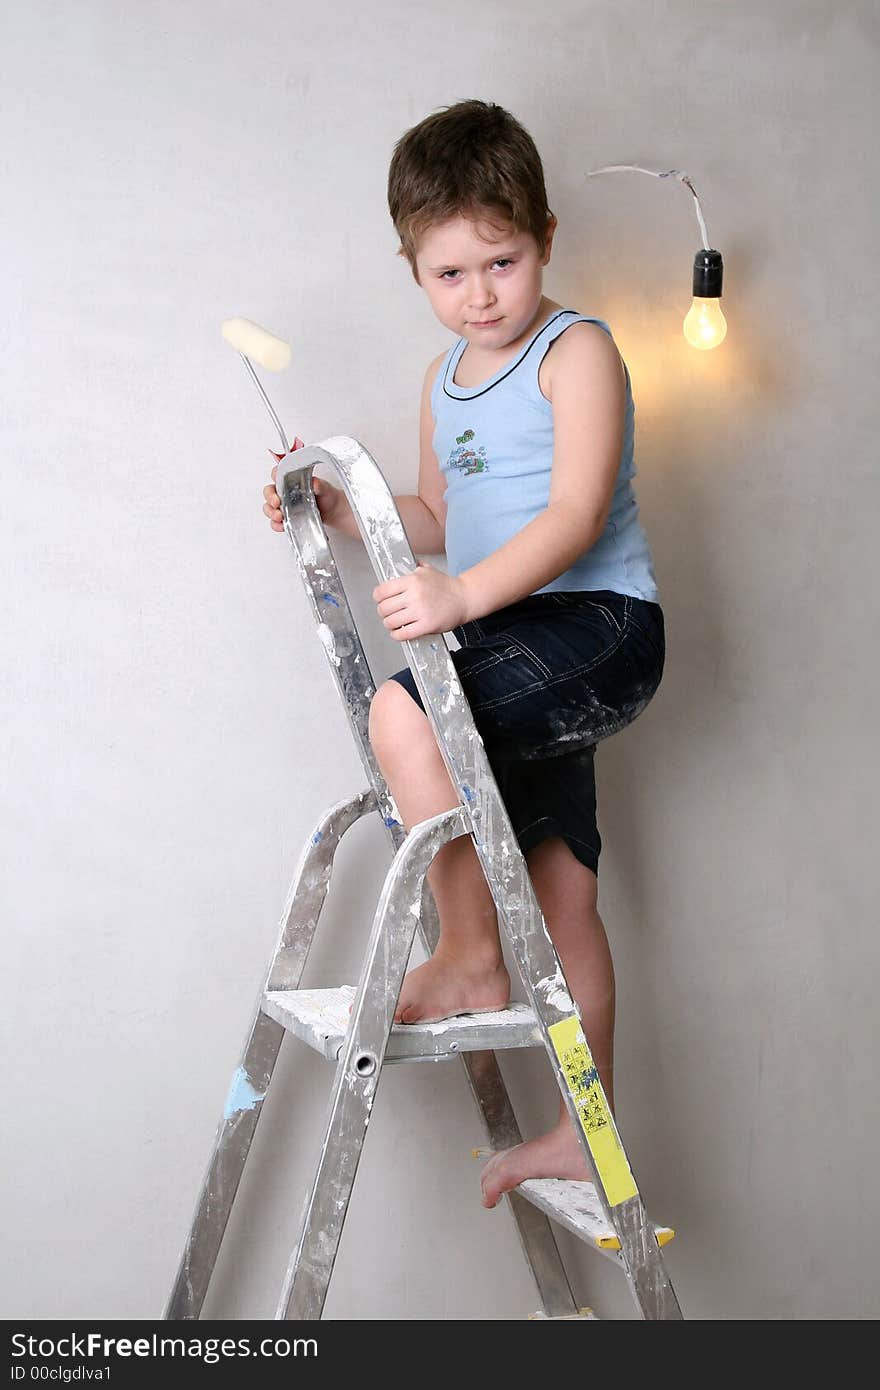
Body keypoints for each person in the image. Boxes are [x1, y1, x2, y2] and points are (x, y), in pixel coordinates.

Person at [261, 100, 666, 1211]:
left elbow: (575, 512)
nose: (482, 292)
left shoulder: (573, 349)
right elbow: (444, 512)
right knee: (566, 890)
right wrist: (354, 512)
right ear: (414, 271)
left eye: (503, 260)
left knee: (405, 714)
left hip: (597, 627)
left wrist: (461, 600)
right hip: (517, 639)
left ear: (544, 235)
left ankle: (468, 948)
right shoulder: (444, 383)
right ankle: (590, 1134)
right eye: (451, 273)